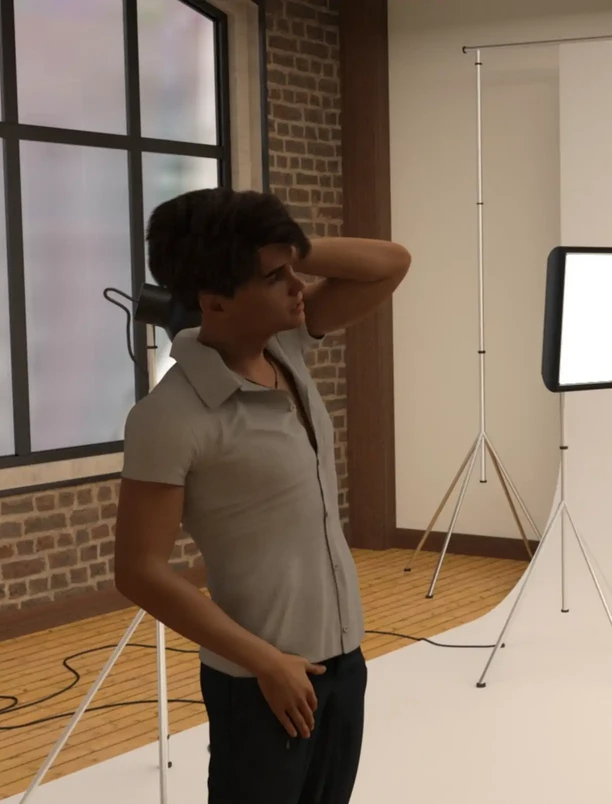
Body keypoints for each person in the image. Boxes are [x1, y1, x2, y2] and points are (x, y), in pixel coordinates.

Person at [113, 188, 411, 804]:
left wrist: (283, 246)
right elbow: (139, 570)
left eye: (293, 269)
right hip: (258, 682)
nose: (298, 286)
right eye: (275, 276)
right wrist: (265, 662)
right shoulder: (170, 416)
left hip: (342, 662)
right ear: (214, 300)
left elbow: (391, 263)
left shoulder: (288, 348)